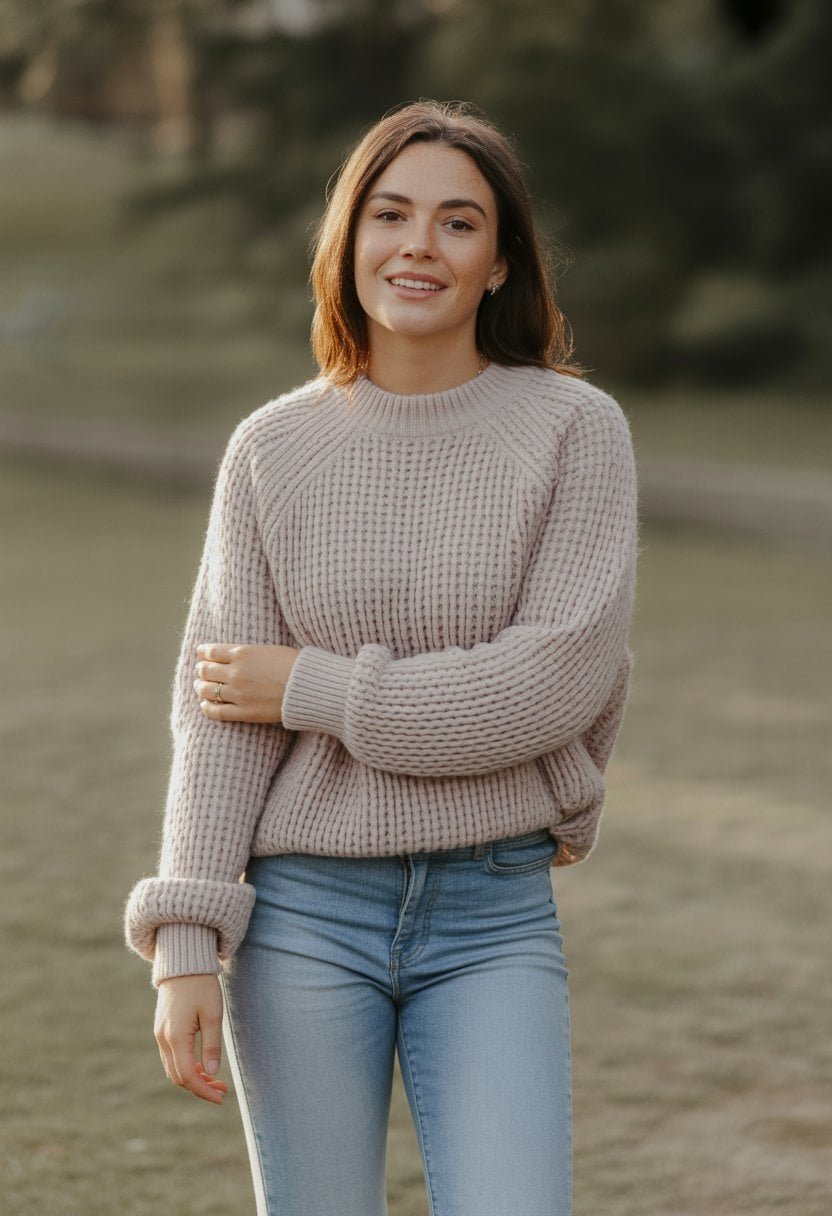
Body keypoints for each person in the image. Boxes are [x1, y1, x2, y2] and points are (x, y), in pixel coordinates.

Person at [124, 98, 638, 1216]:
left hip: (491, 910)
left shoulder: (573, 430)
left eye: (458, 223)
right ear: (347, 242)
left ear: (499, 263)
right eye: (390, 214)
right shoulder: (271, 449)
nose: (418, 245)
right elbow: (217, 712)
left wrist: (312, 686)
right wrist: (186, 940)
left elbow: (551, 682)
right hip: (302, 912)